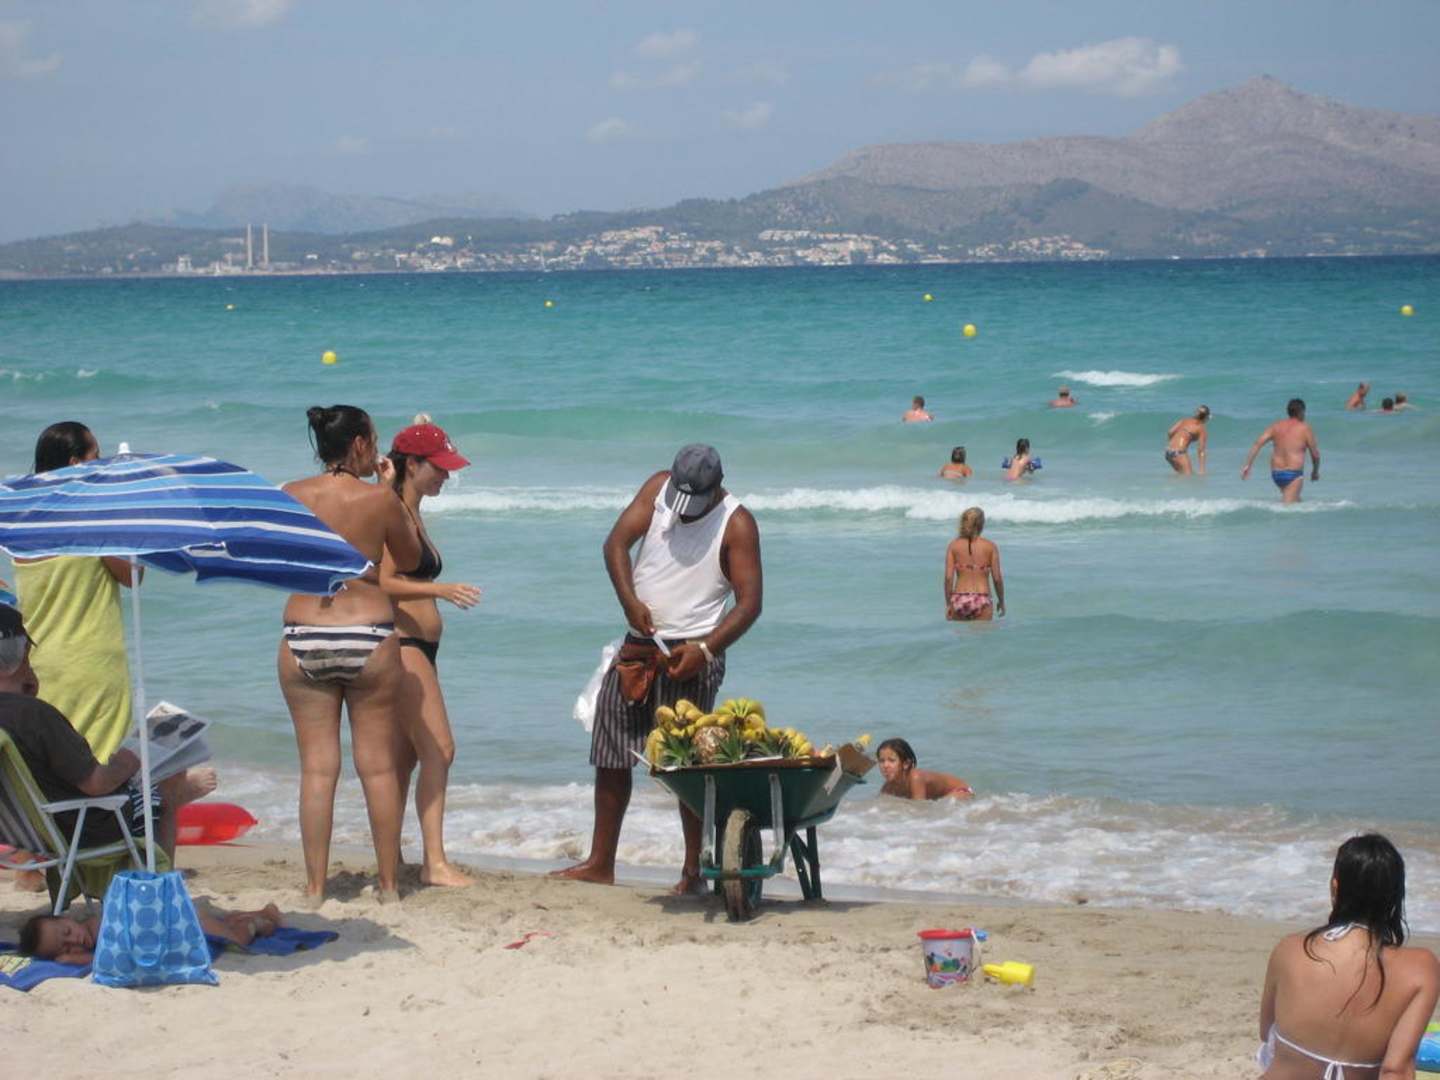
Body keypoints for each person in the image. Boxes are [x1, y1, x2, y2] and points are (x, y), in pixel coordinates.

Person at [553, 444, 762, 894]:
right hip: (637, 647)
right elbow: (615, 544)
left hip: (691, 653)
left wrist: (705, 650)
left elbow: (749, 604)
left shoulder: (737, 523)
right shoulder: (657, 489)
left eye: (694, 502)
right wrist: (629, 601)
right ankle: (600, 862)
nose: (683, 511)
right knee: (611, 754)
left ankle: (693, 872)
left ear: (717, 487)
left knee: (685, 765)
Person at [279, 405, 422, 904]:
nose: (377, 450)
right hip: (367, 631)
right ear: (359, 444)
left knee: (318, 769)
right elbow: (410, 559)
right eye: (374, 441)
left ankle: (315, 888)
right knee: (377, 767)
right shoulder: (379, 499)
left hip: (304, 631)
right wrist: (390, 492)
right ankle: (388, 886)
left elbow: (277, 555)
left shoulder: (290, 494)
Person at [0, 604, 208, 861]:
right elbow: (97, 784)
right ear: (19, 655)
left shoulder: (18, 716)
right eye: (27, 656)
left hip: (23, 833)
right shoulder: (34, 715)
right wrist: (127, 760)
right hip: (82, 830)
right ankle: (159, 878)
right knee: (161, 796)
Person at [379, 416, 481, 888]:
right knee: (440, 749)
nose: (445, 476)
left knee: (405, 759)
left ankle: (392, 857)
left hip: (417, 646)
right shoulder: (393, 510)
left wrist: (421, 430)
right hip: (402, 645)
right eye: (437, 467)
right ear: (412, 465)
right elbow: (380, 580)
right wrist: (440, 590)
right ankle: (434, 863)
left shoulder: (409, 508)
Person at [1257, 834, 1439, 1078]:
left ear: (1336, 887)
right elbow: (1395, 1069)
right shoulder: (1420, 969)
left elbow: (1266, 1031)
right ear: (1395, 896)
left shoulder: (1289, 950)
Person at [13, 422, 136, 765]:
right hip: (91, 662)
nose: (102, 461)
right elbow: (133, 574)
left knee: (56, 763)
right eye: (96, 454)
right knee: (98, 760)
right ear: (75, 464)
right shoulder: (88, 523)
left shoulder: (23, 522)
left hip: (40, 663)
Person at [19, 902, 285, 964]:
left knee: (237, 940)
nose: (74, 941)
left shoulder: (99, 930)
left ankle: (261, 919)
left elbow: (112, 959)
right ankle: (238, 918)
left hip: (182, 921)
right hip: (178, 922)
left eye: (67, 932)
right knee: (222, 927)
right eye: (66, 947)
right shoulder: (91, 928)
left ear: (67, 918)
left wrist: (71, 959)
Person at [1242, 398, 1321, 505]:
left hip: (1276, 474)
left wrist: (1247, 465)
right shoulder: (1304, 428)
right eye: (1304, 412)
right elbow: (1315, 455)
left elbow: (1257, 443)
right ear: (1301, 412)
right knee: (1288, 508)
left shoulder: (1276, 426)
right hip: (1294, 474)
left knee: (1297, 502)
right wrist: (1315, 472)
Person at [943, 507, 1004, 621]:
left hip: (959, 598)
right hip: (982, 598)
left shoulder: (953, 546)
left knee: (960, 633)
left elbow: (948, 578)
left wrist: (948, 604)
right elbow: (997, 578)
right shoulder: (990, 546)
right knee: (982, 633)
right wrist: (1001, 601)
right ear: (981, 524)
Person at [876, 738, 973, 799]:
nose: (885, 765)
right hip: (941, 798)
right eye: (881, 761)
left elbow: (919, 809)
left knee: (941, 807)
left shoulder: (916, 778)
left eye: (891, 760)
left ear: (906, 764)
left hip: (961, 791)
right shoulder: (888, 787)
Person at [1165, 405, 1210, 475]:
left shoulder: (1184, 420)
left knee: (1181, 475)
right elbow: (1201, 451)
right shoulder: (1201, 429)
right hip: (1179, 453)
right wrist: (1202, 470)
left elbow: (1170, 432)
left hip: (1168, 452)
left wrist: (1172, 446)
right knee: (1188, 477)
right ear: (1206, 418)